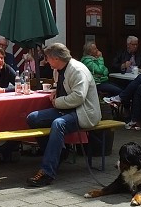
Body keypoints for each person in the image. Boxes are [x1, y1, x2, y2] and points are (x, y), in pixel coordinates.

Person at [23, 43, 101, 187]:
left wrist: (57, 102)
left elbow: (78, 97)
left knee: (58, 124)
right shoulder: (58, 69)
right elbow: (63, 87)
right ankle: (58, 155)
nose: (46, 61)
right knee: (33, 118)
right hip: (67, 109)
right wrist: (55, 91)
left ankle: (48, 172)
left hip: (83, 112)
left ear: (56, 58)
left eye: (48, 58)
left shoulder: (78, 70)